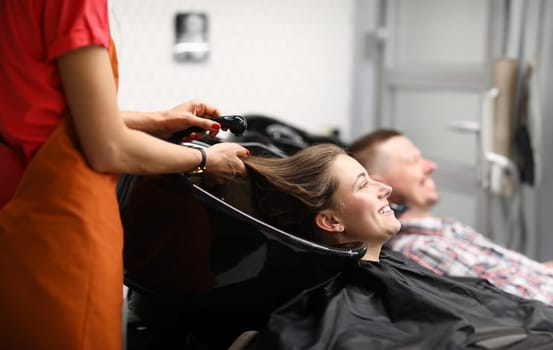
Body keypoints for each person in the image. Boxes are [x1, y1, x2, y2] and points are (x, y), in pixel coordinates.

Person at [0, 1, 248, 349]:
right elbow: (108, 148)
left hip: (16, 215)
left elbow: (48, 113)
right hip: (61, 224)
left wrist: (159, 121)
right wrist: (205, 159)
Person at [243, 144, 553, 349]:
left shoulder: (395, 271)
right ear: (331, 221)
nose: (386, 190)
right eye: (364, 184)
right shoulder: (340, 315)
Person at [348, 129, 553, 306]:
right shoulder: (418, 249)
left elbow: (520, 275)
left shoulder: (444, 228)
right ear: (378, 186)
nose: (431, 166)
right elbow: (522, 306)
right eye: (413, 162)